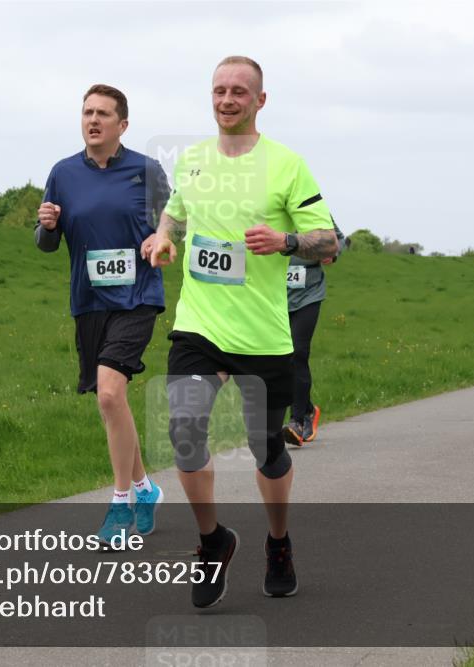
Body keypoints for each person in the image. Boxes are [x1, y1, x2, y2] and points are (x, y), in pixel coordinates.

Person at [146, 56, 338, 607]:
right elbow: (176, 215)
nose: (227, 99)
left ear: (260, 100)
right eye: (219, 90)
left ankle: (278, 542)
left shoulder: (287, 165)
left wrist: (285, 242)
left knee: (266, 450)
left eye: (238, 91)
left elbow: (329, 241)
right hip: (199, 324)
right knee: (183, 433)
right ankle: (213, 541)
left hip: (262, 334)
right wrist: (164, 238)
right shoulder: (193, 160)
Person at [35, 84, 168, 546]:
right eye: (87, 112)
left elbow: (175, 225)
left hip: (138, 295)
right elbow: (47, 242)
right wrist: (47, 225)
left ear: (122, 125)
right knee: (110, 400)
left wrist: (159, 240)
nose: (93, 120)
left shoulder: (146, 171)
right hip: (89, 300)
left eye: (103, 114)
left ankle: (120, 504)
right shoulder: (63, 173)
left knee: (110, 395)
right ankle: (145, 487)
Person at [283, 216, 345, 446]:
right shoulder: (265, 205)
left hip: (308, 295)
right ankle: (307, 408)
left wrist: (333, 253)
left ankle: (297, 422)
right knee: (277, 359)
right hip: (272, 296)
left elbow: (338, 239)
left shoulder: (312, 209)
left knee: (298, 353)